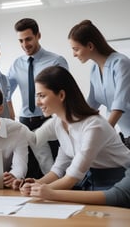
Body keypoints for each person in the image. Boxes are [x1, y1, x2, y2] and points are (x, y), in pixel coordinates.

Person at [14, 66, 130, 194]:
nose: (37, 103)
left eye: (42, 96)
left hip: (121, 183)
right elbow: (58, 170)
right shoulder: (59, 123)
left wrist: (36, 190)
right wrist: (35, 183)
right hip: (93, 184)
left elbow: (71, 179)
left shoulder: (93, 126)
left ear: (62, 95)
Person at [8, 18, 68, 178]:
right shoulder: (16, 64)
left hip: (49, 119)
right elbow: (6, 93)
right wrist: (11, 115)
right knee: (31, 170)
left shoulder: (56, 61)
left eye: (28, 39)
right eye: (20, 40)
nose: (24, 44)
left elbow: (66, 93)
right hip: (25, 122)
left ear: (38, 35)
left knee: (55, 168)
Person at [68, 20, 130, 148]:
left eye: (76, 49)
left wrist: (104, 134)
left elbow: (120, 104)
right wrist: (72, 122)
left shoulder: (120, 63)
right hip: (120, 134)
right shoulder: (94, 68)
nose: (74, 54)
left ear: (90, 46)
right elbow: (92, 103)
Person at [27, 166, 130, 208]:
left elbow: (119, 195)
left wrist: (51, 193)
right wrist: (37, 184)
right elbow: (59, 167)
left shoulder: (94, 127)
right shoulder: (62, 127)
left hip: (107, 182)